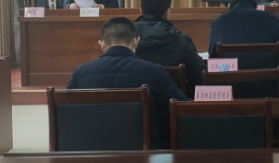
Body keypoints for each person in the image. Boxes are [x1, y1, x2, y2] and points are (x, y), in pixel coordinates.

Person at [67, 17, 189, 149]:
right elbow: (182, 109)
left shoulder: (80, 74)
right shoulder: (154, 72)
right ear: (136, 42)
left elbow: (67, 115)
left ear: (102, 45)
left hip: (91, 155)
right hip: (146, 156)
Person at [132, 0, 207, 85]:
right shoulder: (181, 40)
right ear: (167, 13)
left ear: (141, 10)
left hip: (134, 93)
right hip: (172, 94)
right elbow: (200, 75)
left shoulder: (125, 39)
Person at [208, 0, 279, 58]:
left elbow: (212, 54)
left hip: (228, 75)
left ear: (231, 8)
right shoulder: (269, 18)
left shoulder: (218, 21)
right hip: (266, 74)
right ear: (255, 7)